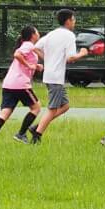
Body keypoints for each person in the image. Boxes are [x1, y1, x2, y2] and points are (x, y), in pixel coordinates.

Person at [31, 9, 84, 144]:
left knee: (65, 106)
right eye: (73, 19)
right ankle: (37, 135)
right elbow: (70, 58)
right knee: (52, 108)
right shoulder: (69, 36)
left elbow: (36, 48)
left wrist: (47, 60)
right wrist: (83, 53)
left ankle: (38, 126)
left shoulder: (51, 34)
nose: (74, 22)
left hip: (50, 75)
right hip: (56, 77)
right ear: (68, 21)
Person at [0, 25, 42, 143]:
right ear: (32, 35)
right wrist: (29, 65)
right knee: (36, 108)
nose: (38, 33)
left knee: (5, 111)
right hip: (21, 84)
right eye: (37, 31)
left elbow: (22, 60)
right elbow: (17, 55)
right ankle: (21, 134)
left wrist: (35, 66)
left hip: (8, 84)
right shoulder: (29, 44)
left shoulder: (27, 45)